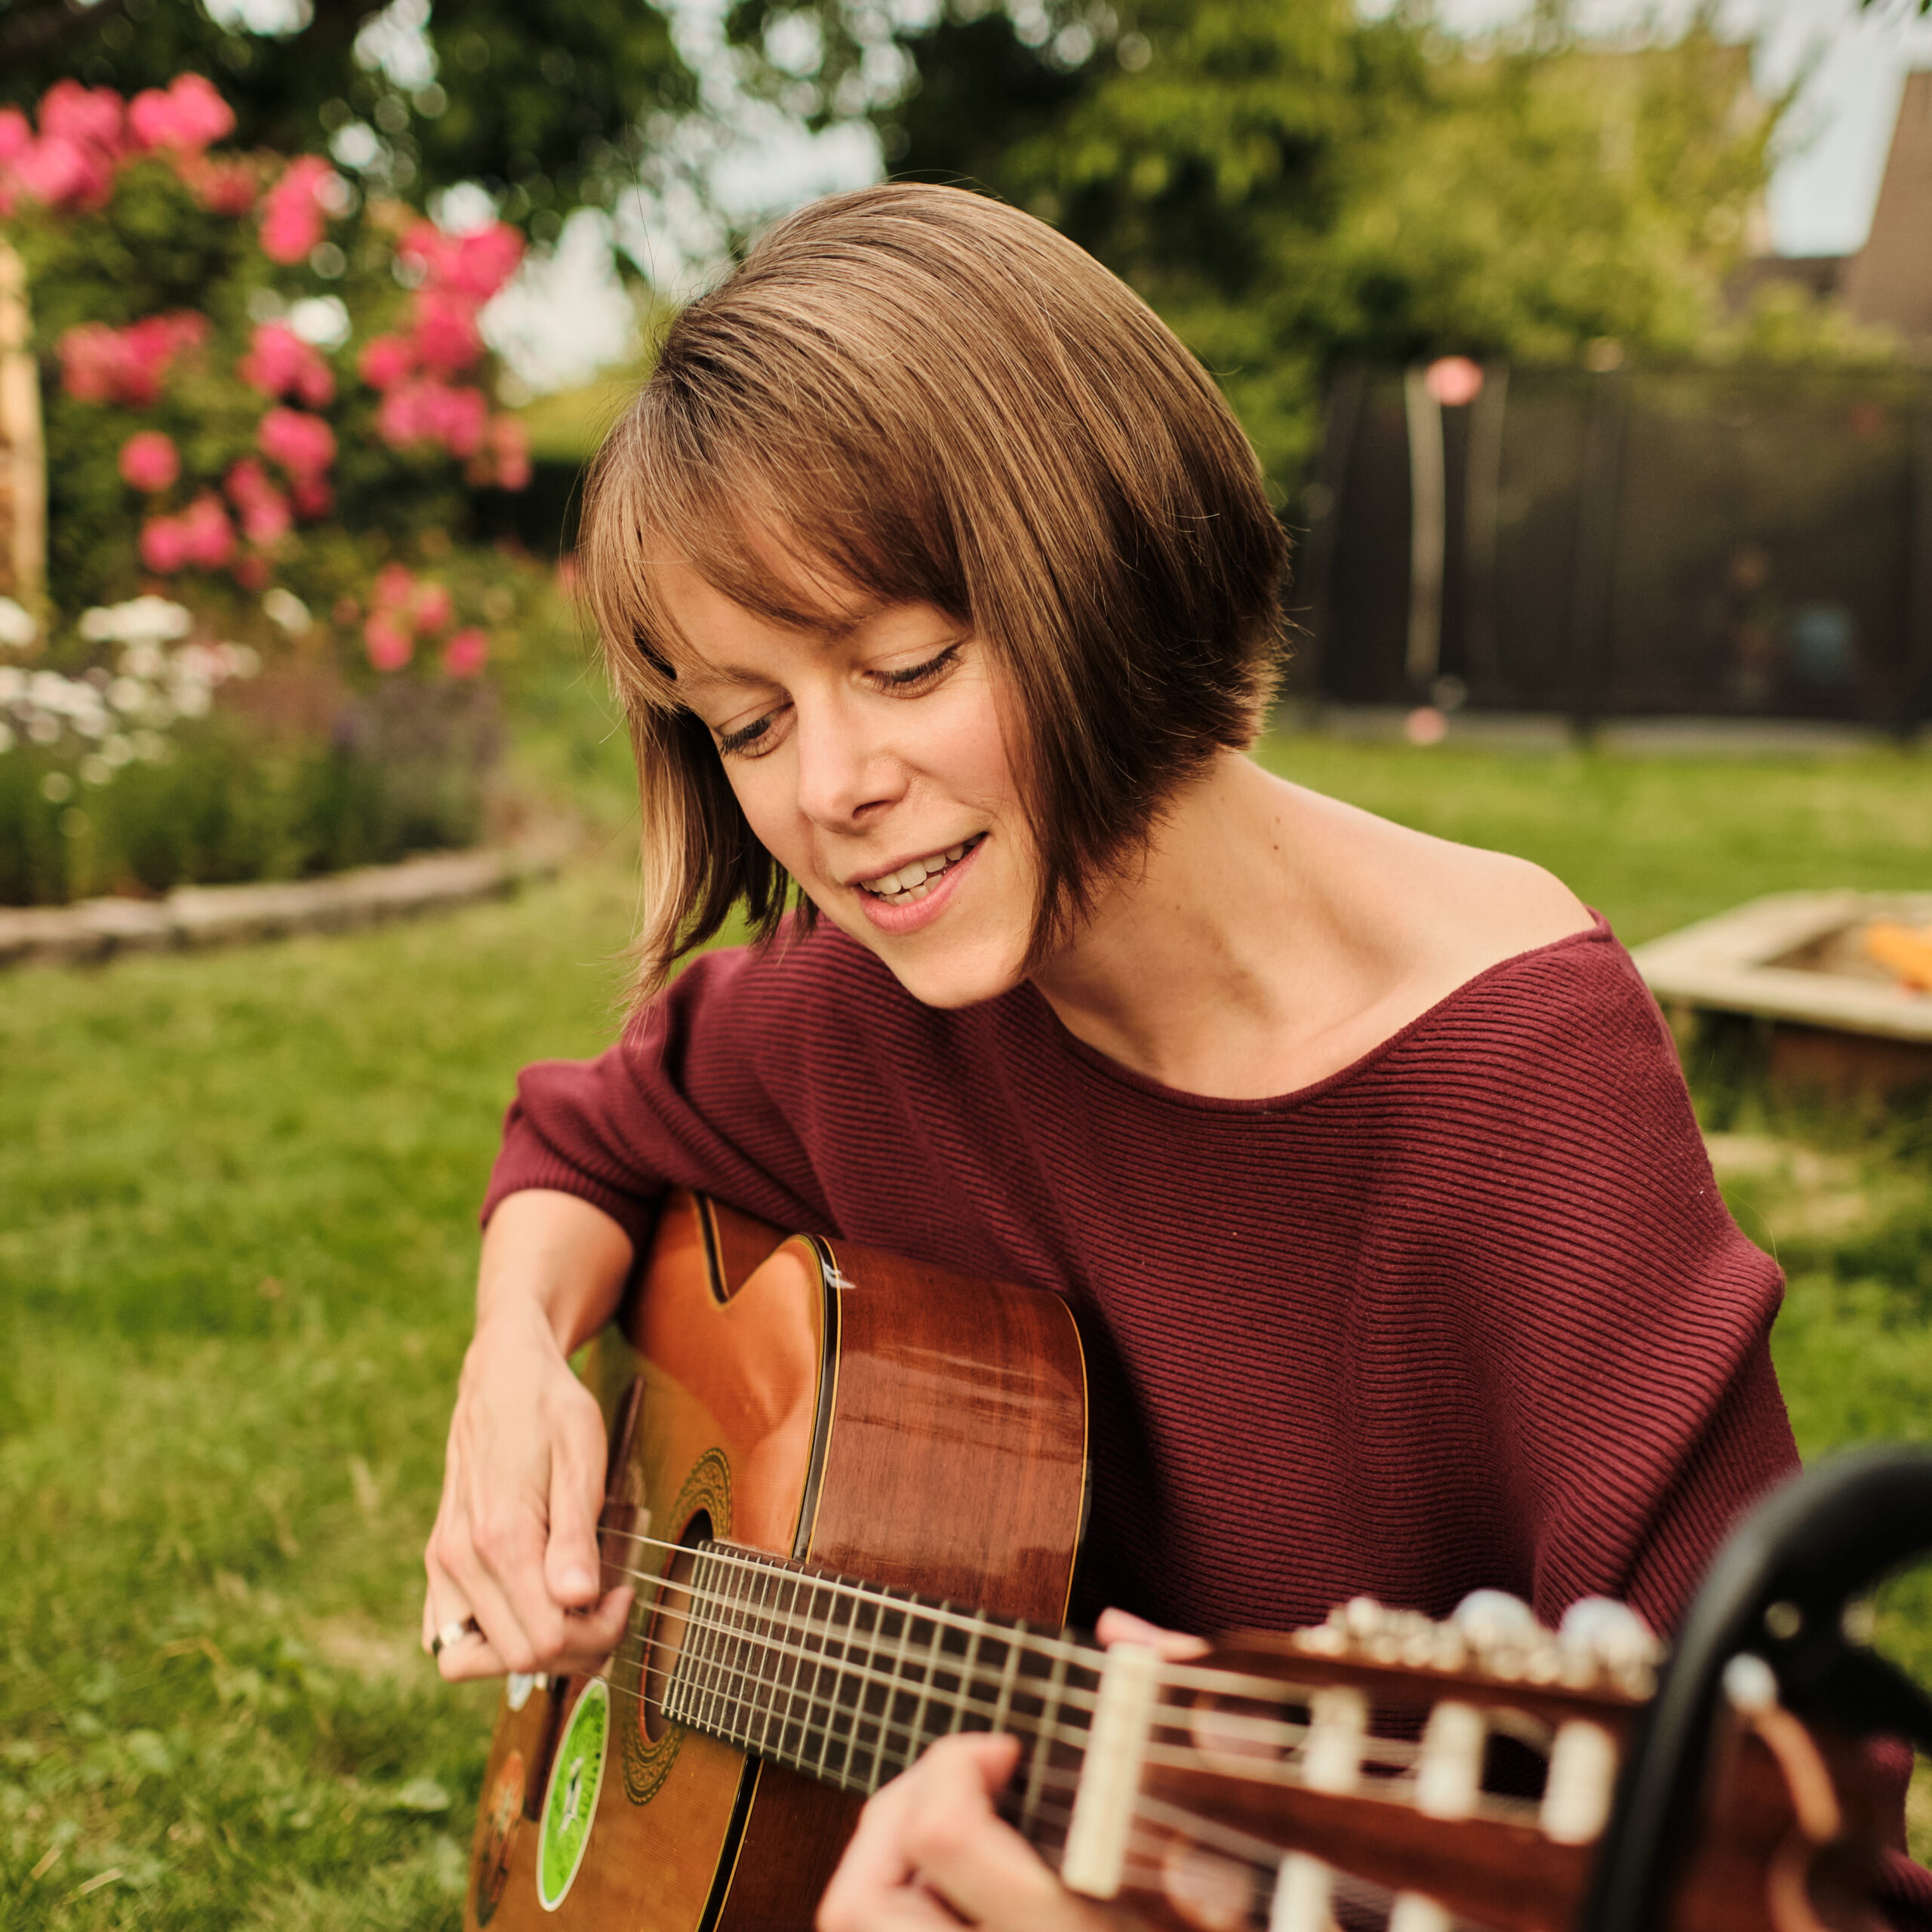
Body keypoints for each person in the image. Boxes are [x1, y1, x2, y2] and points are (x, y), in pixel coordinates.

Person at [420, 183, 1841, 1927]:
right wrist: (513, 1358)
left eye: (905, 663)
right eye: (750, 721)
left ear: (1103, 570)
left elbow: (1772, 1822)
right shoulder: (855, 1008)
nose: (830, 787)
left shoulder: (1514, 1078)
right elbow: (583, 1139)